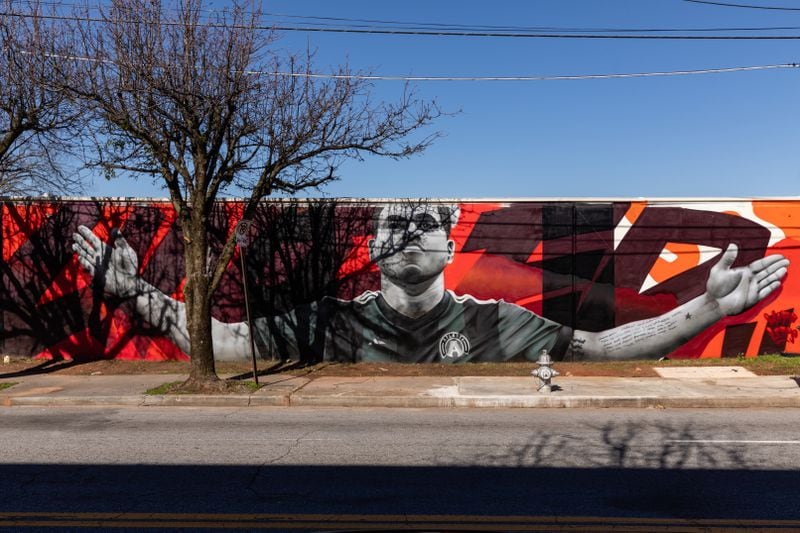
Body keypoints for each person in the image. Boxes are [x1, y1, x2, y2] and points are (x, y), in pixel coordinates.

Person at [71, 202, 790, 363]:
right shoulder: (328, 320)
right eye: (392, 224)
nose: (406, 232)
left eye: (421, 222)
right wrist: (134, 292)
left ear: (452, 241)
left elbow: (603, 349)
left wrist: (705, 307)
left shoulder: (498, 322)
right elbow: (225, 345)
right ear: (374, 244)